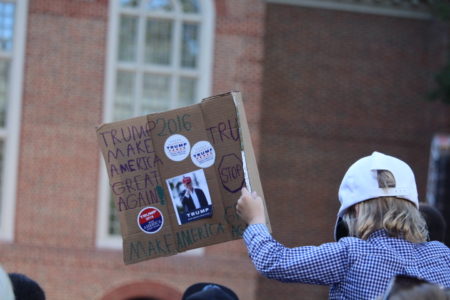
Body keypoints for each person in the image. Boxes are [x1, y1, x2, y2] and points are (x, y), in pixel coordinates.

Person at [236, 151, 450, 299]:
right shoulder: (442, 255)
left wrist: (255, 221)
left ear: (355, 210)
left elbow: (274, 262)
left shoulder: (351, 254)